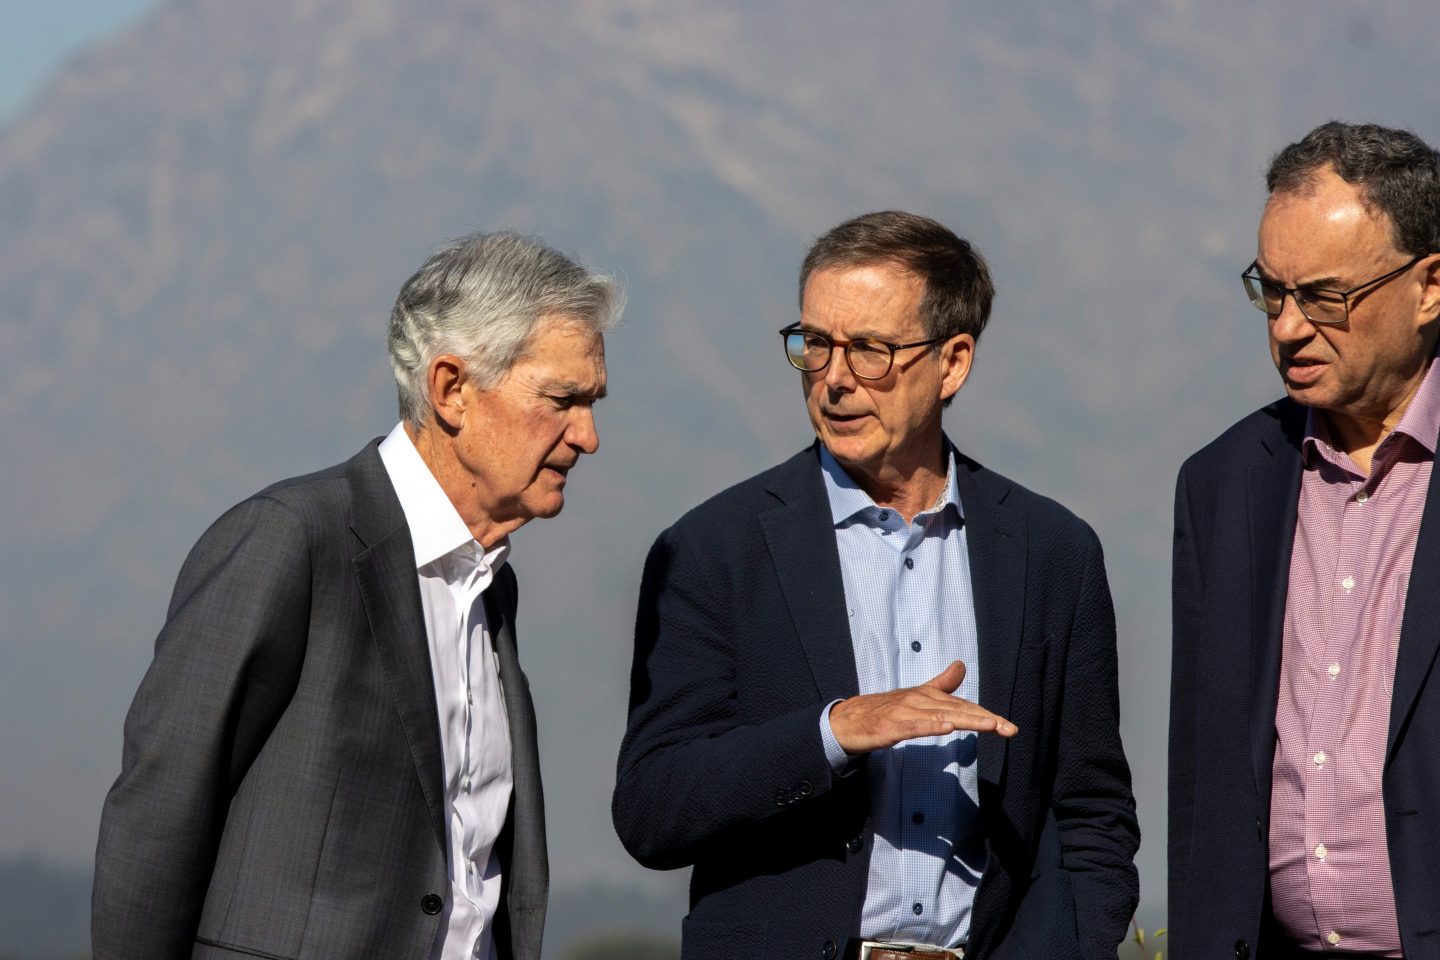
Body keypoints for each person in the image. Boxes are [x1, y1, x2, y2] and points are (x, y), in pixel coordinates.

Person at [613, 211, 1139, 960]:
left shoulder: (1053, 553)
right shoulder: (714, 551)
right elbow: (653, 809)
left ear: (953, 363)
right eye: (816, 345)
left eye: (869, 350)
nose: (833, 379)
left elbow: (1091, 815)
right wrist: (833, 731)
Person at [92, 231, 619, 960]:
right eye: (563, 400)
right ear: (451, 390)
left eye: (591, 403)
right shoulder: (292, 542)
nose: (587, 436)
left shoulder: (492, 585)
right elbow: (158, 813)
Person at [1170, 121, 1440, 959]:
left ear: (1430, 285)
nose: (1286, 328)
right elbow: (1205, 774)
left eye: (1324, 297)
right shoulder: (1223, 485)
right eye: (1271, 293)